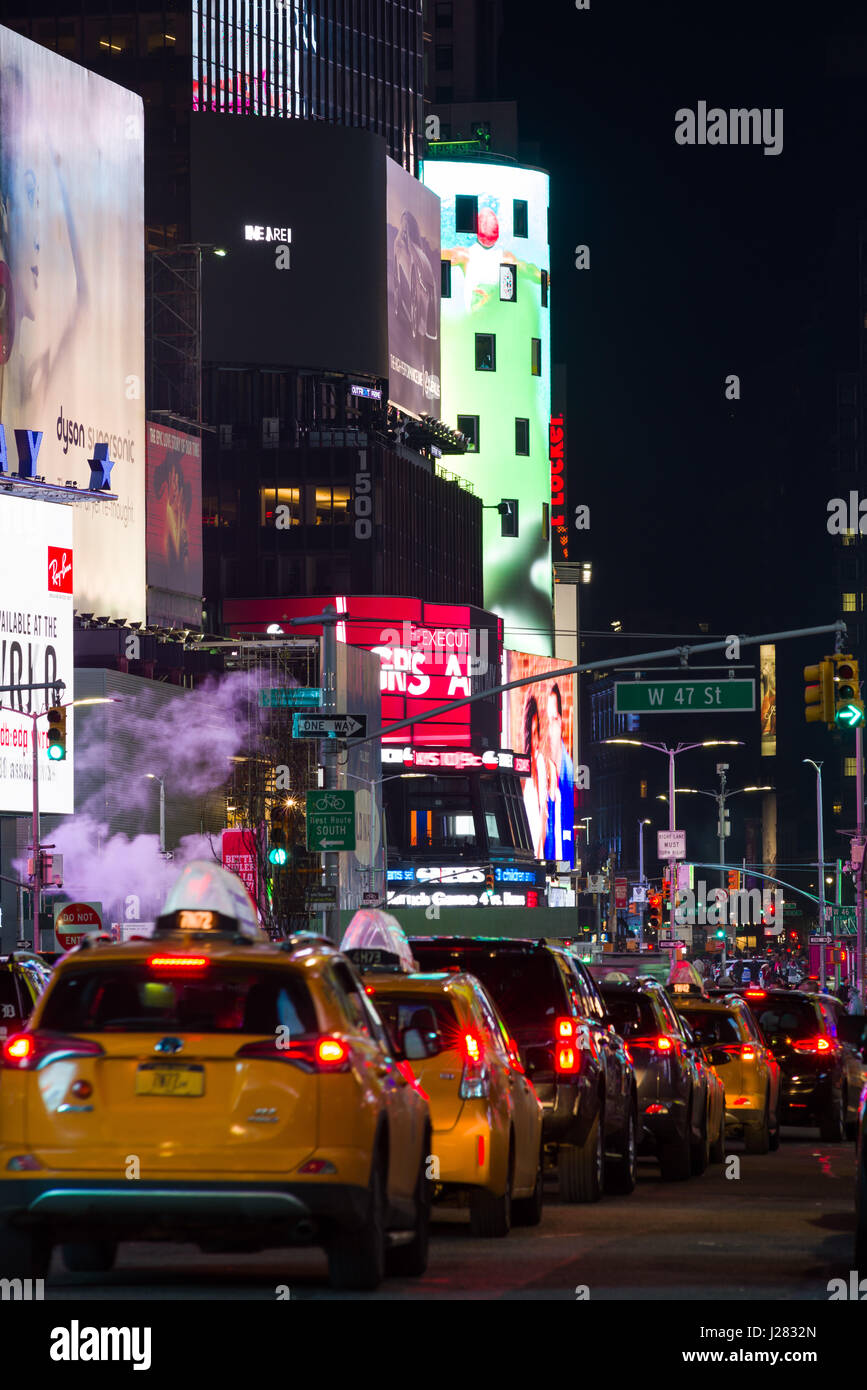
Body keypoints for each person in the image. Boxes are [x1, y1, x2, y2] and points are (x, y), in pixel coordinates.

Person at [544, 683, 574, 863]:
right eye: (546, 721)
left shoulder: (568, 772)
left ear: (561, 722)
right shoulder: (542, 768)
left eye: (554, 719)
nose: (549, 729)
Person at [521, 694, 548, 859]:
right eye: (531, 733)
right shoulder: (522, 762)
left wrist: (538, 853)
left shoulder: (539, 763)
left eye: (536, 731)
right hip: (523, 839)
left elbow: (543, 813)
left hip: (534, 840)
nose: (535, 739)